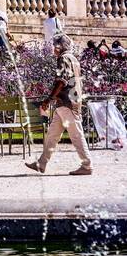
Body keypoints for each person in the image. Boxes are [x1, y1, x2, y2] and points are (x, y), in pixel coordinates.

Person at [27, 33, 92, 176]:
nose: (53, 48)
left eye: (55, 45)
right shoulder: (74, 59)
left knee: (76, 135)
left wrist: (48, 99)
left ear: (60, 46)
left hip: (67, 103)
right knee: (52, 135)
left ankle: (87, 166)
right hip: (68, 102)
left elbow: (61, 81)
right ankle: (41, 163)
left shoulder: (63, 58)